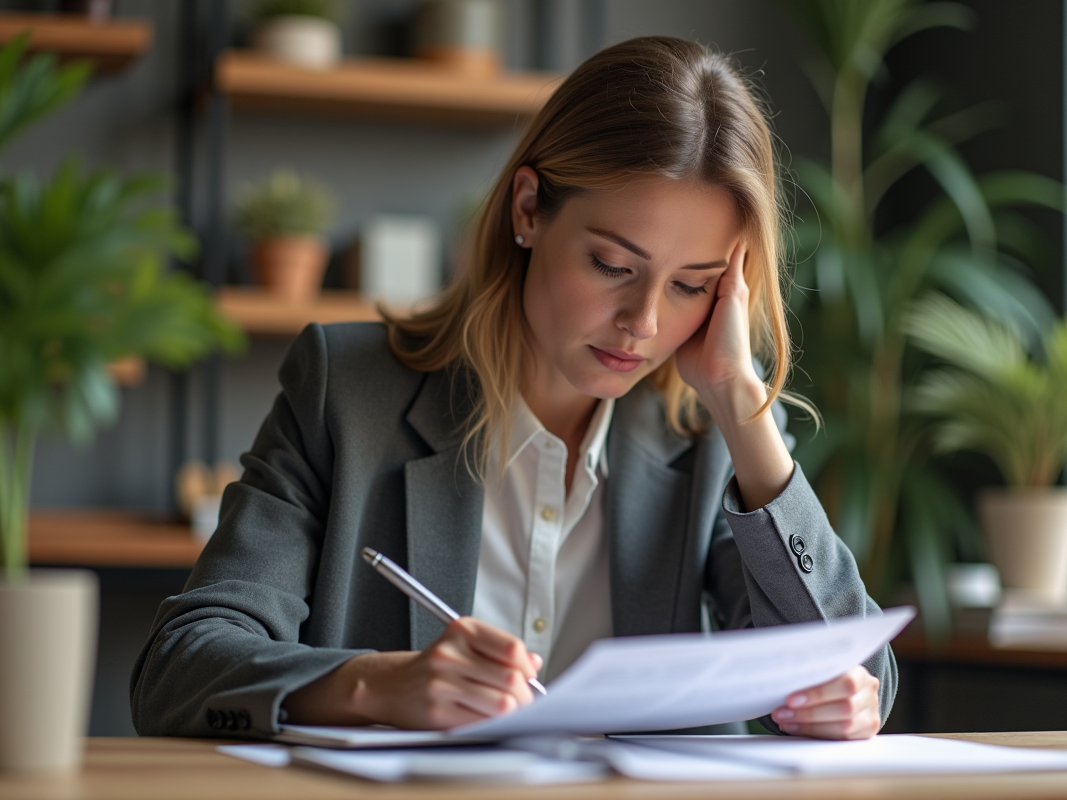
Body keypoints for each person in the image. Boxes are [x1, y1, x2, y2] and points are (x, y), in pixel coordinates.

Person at [131, 36, 897, 741]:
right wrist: (376, 685)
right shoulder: (347, 394)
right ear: (528, 209)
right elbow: (179, 667)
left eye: (693, 286)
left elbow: (865, 672)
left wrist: (739, 399)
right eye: (612, 266)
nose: (644, 322)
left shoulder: (709, 433)